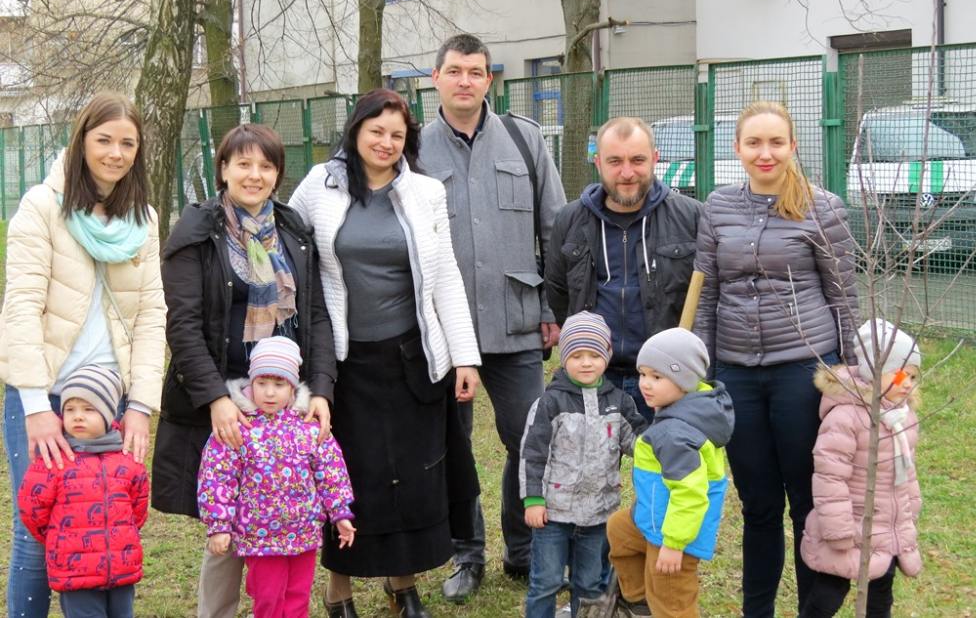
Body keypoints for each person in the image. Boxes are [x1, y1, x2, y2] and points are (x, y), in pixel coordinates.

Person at [289, 87, 482, 618]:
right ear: (355, 130)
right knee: (350, 477)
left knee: (413, 476)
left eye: (397, 134)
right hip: (344, 365)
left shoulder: (425, 191)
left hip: (412, 359)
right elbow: (289, 250)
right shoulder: (319, 185)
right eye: (376, 131)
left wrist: (464, 356)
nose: (386, 142)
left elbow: (446, 276)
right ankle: (339, 589)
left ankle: (403, 584)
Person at [151, 123, 337, 618]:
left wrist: (320, 388)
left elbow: (315, 316)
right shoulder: (197, 231)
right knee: (230, 525)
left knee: (284, 512)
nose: (255, 175)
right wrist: (216, 398)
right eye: (244, 164)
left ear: (278, 173)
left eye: (266, 166)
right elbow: (183, 324)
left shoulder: (293, 230)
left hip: (286, 395)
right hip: (229, 397)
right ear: (224, 169)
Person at [0, 91, 166, 618]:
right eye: (104, 140)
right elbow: (21, 307)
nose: (115, 153)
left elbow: (151, 315)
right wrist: (36, 407)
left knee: (105, 525)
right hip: (46, 396)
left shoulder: (143, 219)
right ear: (82, 141)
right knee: (37, 531)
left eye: (127, 144)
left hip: (108, 402)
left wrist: (139, 406)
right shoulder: (42, 207)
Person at [693, 101, 858, 617]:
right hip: (736, 373)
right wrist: (702, 372)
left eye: (776, 143)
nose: (765, 153)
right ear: (738, 148)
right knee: (759, 504)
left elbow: (844, 297)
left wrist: (853, 371)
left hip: (803, 370)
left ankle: (813, 609)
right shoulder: (717, 207)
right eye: (754, 143)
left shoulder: (822, 207)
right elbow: (707, 293)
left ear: (792, 147)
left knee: (807, 502)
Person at [418, 32, 568, 602]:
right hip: (442, 330)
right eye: (455, 71)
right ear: (436, 78)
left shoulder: (524, 140)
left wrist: (552, 307)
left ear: (489, 80)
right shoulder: (413, 148)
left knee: (528, 437)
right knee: (451, 446)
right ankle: (467, 553)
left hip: (517, 320)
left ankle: (522, 549)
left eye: (476, 72)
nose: (465, 81)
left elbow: (555, 230)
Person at [547, 116, 701, 422]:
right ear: (598, 162)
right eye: (615, 161)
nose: (627, 172)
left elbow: (705, 299)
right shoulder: (569, 220)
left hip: (666, 378)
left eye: (637, 160)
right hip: (595, 378)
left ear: (655, 159)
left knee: (665, 454)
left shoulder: (691, 218)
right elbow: (558, 291)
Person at [197, 337, 356, 618]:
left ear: (293, 386)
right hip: (260, 538)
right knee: (268, 598)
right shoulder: (238, 427)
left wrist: (340, 512)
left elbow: (331, 472)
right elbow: (217, 477)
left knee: (297, 598)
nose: (269, 393)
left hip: (303, 533)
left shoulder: (308, 427)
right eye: (262, 383)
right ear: (252, 382)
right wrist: (219, 525)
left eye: (279, 384)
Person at [519, 311, 647, 618]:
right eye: (577, 356)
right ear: (564, 357)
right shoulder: (550, 403)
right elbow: (532, 454)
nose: (586, 363)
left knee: (590, 585)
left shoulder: (619, 402)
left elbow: (640, 444)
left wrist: (667, 440)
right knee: (546, 582)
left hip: (599, 514)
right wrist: (533, 499)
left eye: (594, 355)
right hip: (553, 515)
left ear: (607, 356)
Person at [606, 328, 734, 618]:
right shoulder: (685, 409)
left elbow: (691, 495)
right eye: (643, 374)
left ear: (685, 380)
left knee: (671, 602)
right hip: (655, 517)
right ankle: (639, 605)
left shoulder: (676, 434)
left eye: (657, 377)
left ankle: (655, 607)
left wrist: (674, 545)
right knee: (620, 530)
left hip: (675, 533)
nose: (645, 384)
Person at [799, 319, 922, 618]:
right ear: (874, 372)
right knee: (829, 593)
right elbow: (830, 477)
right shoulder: (846, 417)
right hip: (851, 526)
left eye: (913, 376)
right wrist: (839, 530)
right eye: (900, 374)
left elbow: (907, 473)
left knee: (881, 594)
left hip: (887, 527)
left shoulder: (903, 417)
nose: (908, 383)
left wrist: (910, 511)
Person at [17, 366, 148, 618]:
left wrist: (123, 535)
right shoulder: (54, 461)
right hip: (75, 575)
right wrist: (58, 537)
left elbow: (138, 508)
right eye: (70, 409)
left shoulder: (127, 461)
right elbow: (33, 509)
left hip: (122, 569)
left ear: (108, 413)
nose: (78, 417)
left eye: (88, 409)